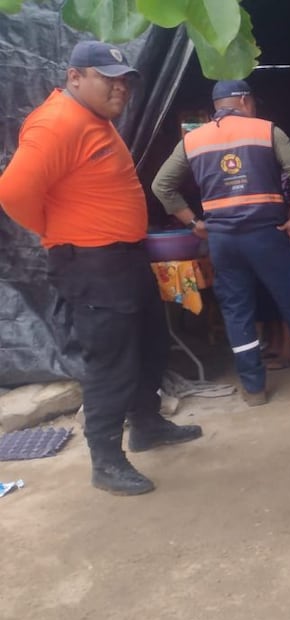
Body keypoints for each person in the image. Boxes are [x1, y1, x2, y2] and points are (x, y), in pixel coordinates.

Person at [0, 41, 203, 496]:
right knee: (111, 360)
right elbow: (12, 193)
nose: (121, 88)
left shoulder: (94, 121)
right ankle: (106, 460)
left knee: (149, 342)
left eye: (125, 80)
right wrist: (60, 231)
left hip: (123, 257)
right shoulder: (57, 123)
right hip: (92, 262)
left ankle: (147, 424)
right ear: (75, 77)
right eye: (108, 78)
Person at [151, 80, 290, 406]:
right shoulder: (266, 131)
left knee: (236, 310)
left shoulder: (193, 140)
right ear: (245, 101)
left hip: (222, 240)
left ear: (216, 106)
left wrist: (193, 222)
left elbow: (162, 186)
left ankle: (254, 388)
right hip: (265, 234)